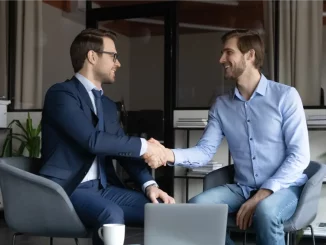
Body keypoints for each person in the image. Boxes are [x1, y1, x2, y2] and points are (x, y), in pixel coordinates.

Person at [146, 29, 310, 245]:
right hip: (242, 188)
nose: (221, 59)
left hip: (284, 187)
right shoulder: (221, 106)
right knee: (196, 210)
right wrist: (166, 153)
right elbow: (204, 152)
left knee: (266, 212)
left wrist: (261, 195)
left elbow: (299, 156)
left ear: (250, 55)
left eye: (228, 52)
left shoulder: (285, 97)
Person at [39, 28, 175, 245]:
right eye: (113, 56)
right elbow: (92, 141)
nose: (118, 63)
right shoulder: (61, 95)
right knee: (111, 215)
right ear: (92, 56)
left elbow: (122, 151)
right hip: (67, 189)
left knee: (164, 212)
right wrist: (145, 146)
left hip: (103, 189)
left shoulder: (108, 107)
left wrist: (150, 185)